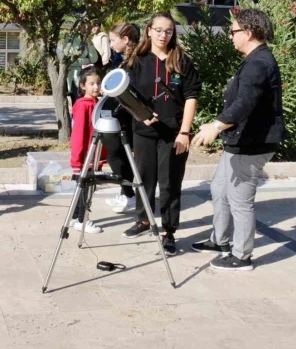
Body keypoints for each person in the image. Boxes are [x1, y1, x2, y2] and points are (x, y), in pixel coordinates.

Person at [191, 9, 286, 271]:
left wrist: (216, 126)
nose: (230, 36)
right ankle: (220, 241)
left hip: (252, 143)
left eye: (233, 31)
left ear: (249, 32)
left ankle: (242, 256)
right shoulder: (254, 59)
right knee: (219, 189)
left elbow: (245, 103)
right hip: (239, 141)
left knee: (240, 201)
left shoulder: (259, 63)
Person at [122, 13, 201, 256]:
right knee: (144, 178)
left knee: (169, 183)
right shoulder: (136, 60)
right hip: (144, 132)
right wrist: (140, 114)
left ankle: (169, 231)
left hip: (173, 135)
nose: (162, 35)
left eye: (167, 31)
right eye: (158, 30)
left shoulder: (182, 61)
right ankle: (144, 219)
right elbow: (123, 94)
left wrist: (184, 132)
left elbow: (191, 97)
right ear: (148, 31)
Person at [103, 22, 141, 214]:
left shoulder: (137, 62)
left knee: (117, 156)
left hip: (130, 118)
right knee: (119, 155)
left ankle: (130, 195)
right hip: (122, 116)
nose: (110, 44)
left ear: (126, 39)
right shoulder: (126, 60)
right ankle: (126, 193)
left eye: (112, 40)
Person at [69, 66, 105, 234]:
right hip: (86, 158)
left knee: (82, 187)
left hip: (94, 156)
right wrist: (77, 161)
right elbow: (78, 135)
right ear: (83, 86)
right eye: (92, 84)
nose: (96, 87)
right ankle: (82, 220)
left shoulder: (96, 103)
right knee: (87, 189)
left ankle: (75, 216)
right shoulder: (83, 105)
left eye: (98, 83)